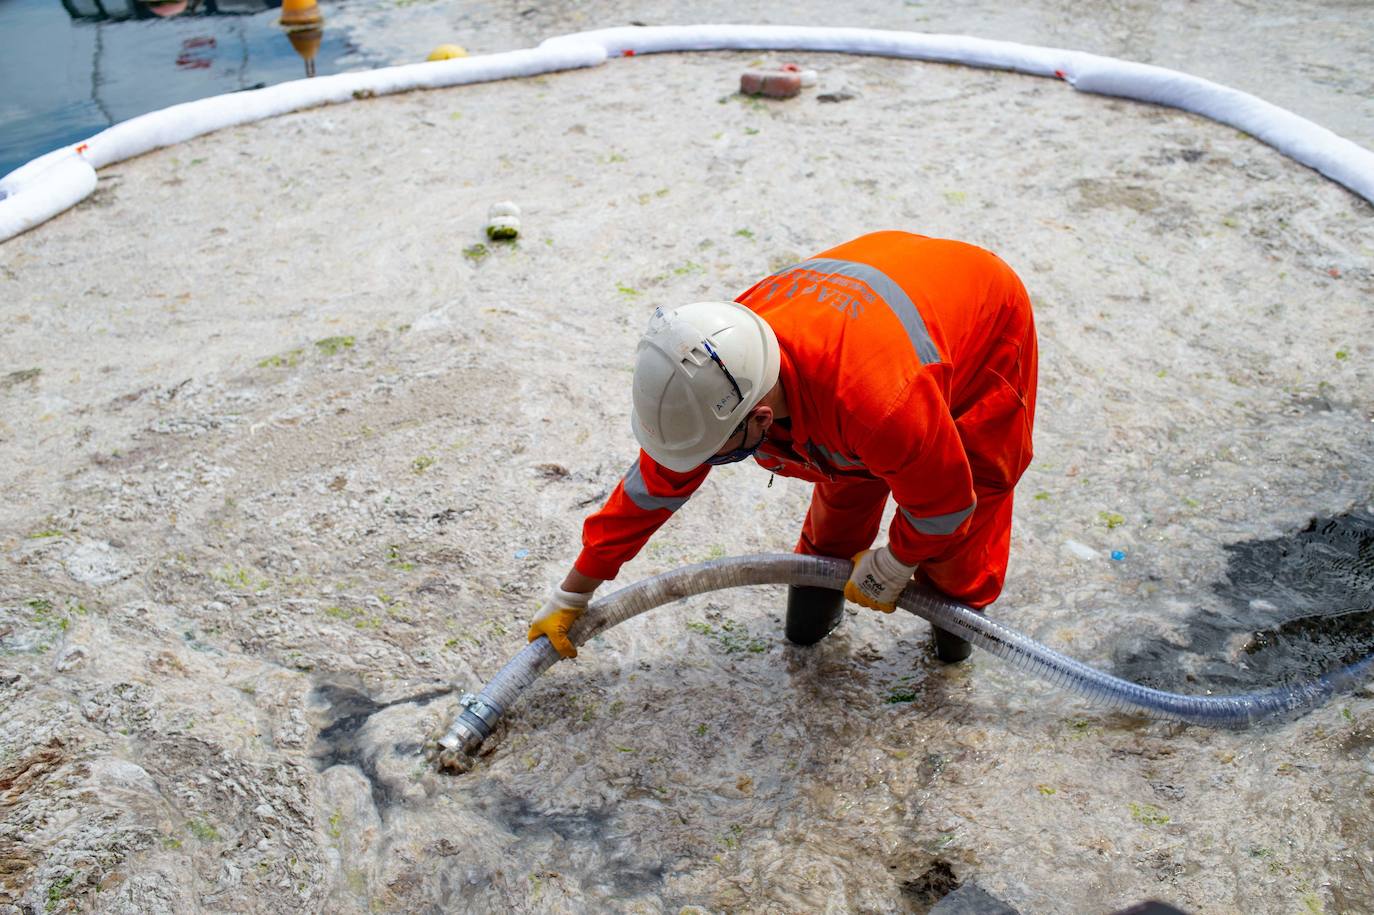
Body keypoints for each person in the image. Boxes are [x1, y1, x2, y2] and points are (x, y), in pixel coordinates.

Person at [528, 230, 1038, 662]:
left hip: (982, 315)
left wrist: (897, 562)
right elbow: (653, 490)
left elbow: (947, 505)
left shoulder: (874, 404)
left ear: (762, 418)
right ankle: (815, 618)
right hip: (873, 316)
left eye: (721, 455)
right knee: (844, 483)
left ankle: (953, 645)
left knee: (973, 496)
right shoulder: (713, 362)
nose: (708, 466)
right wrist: (574, 589)